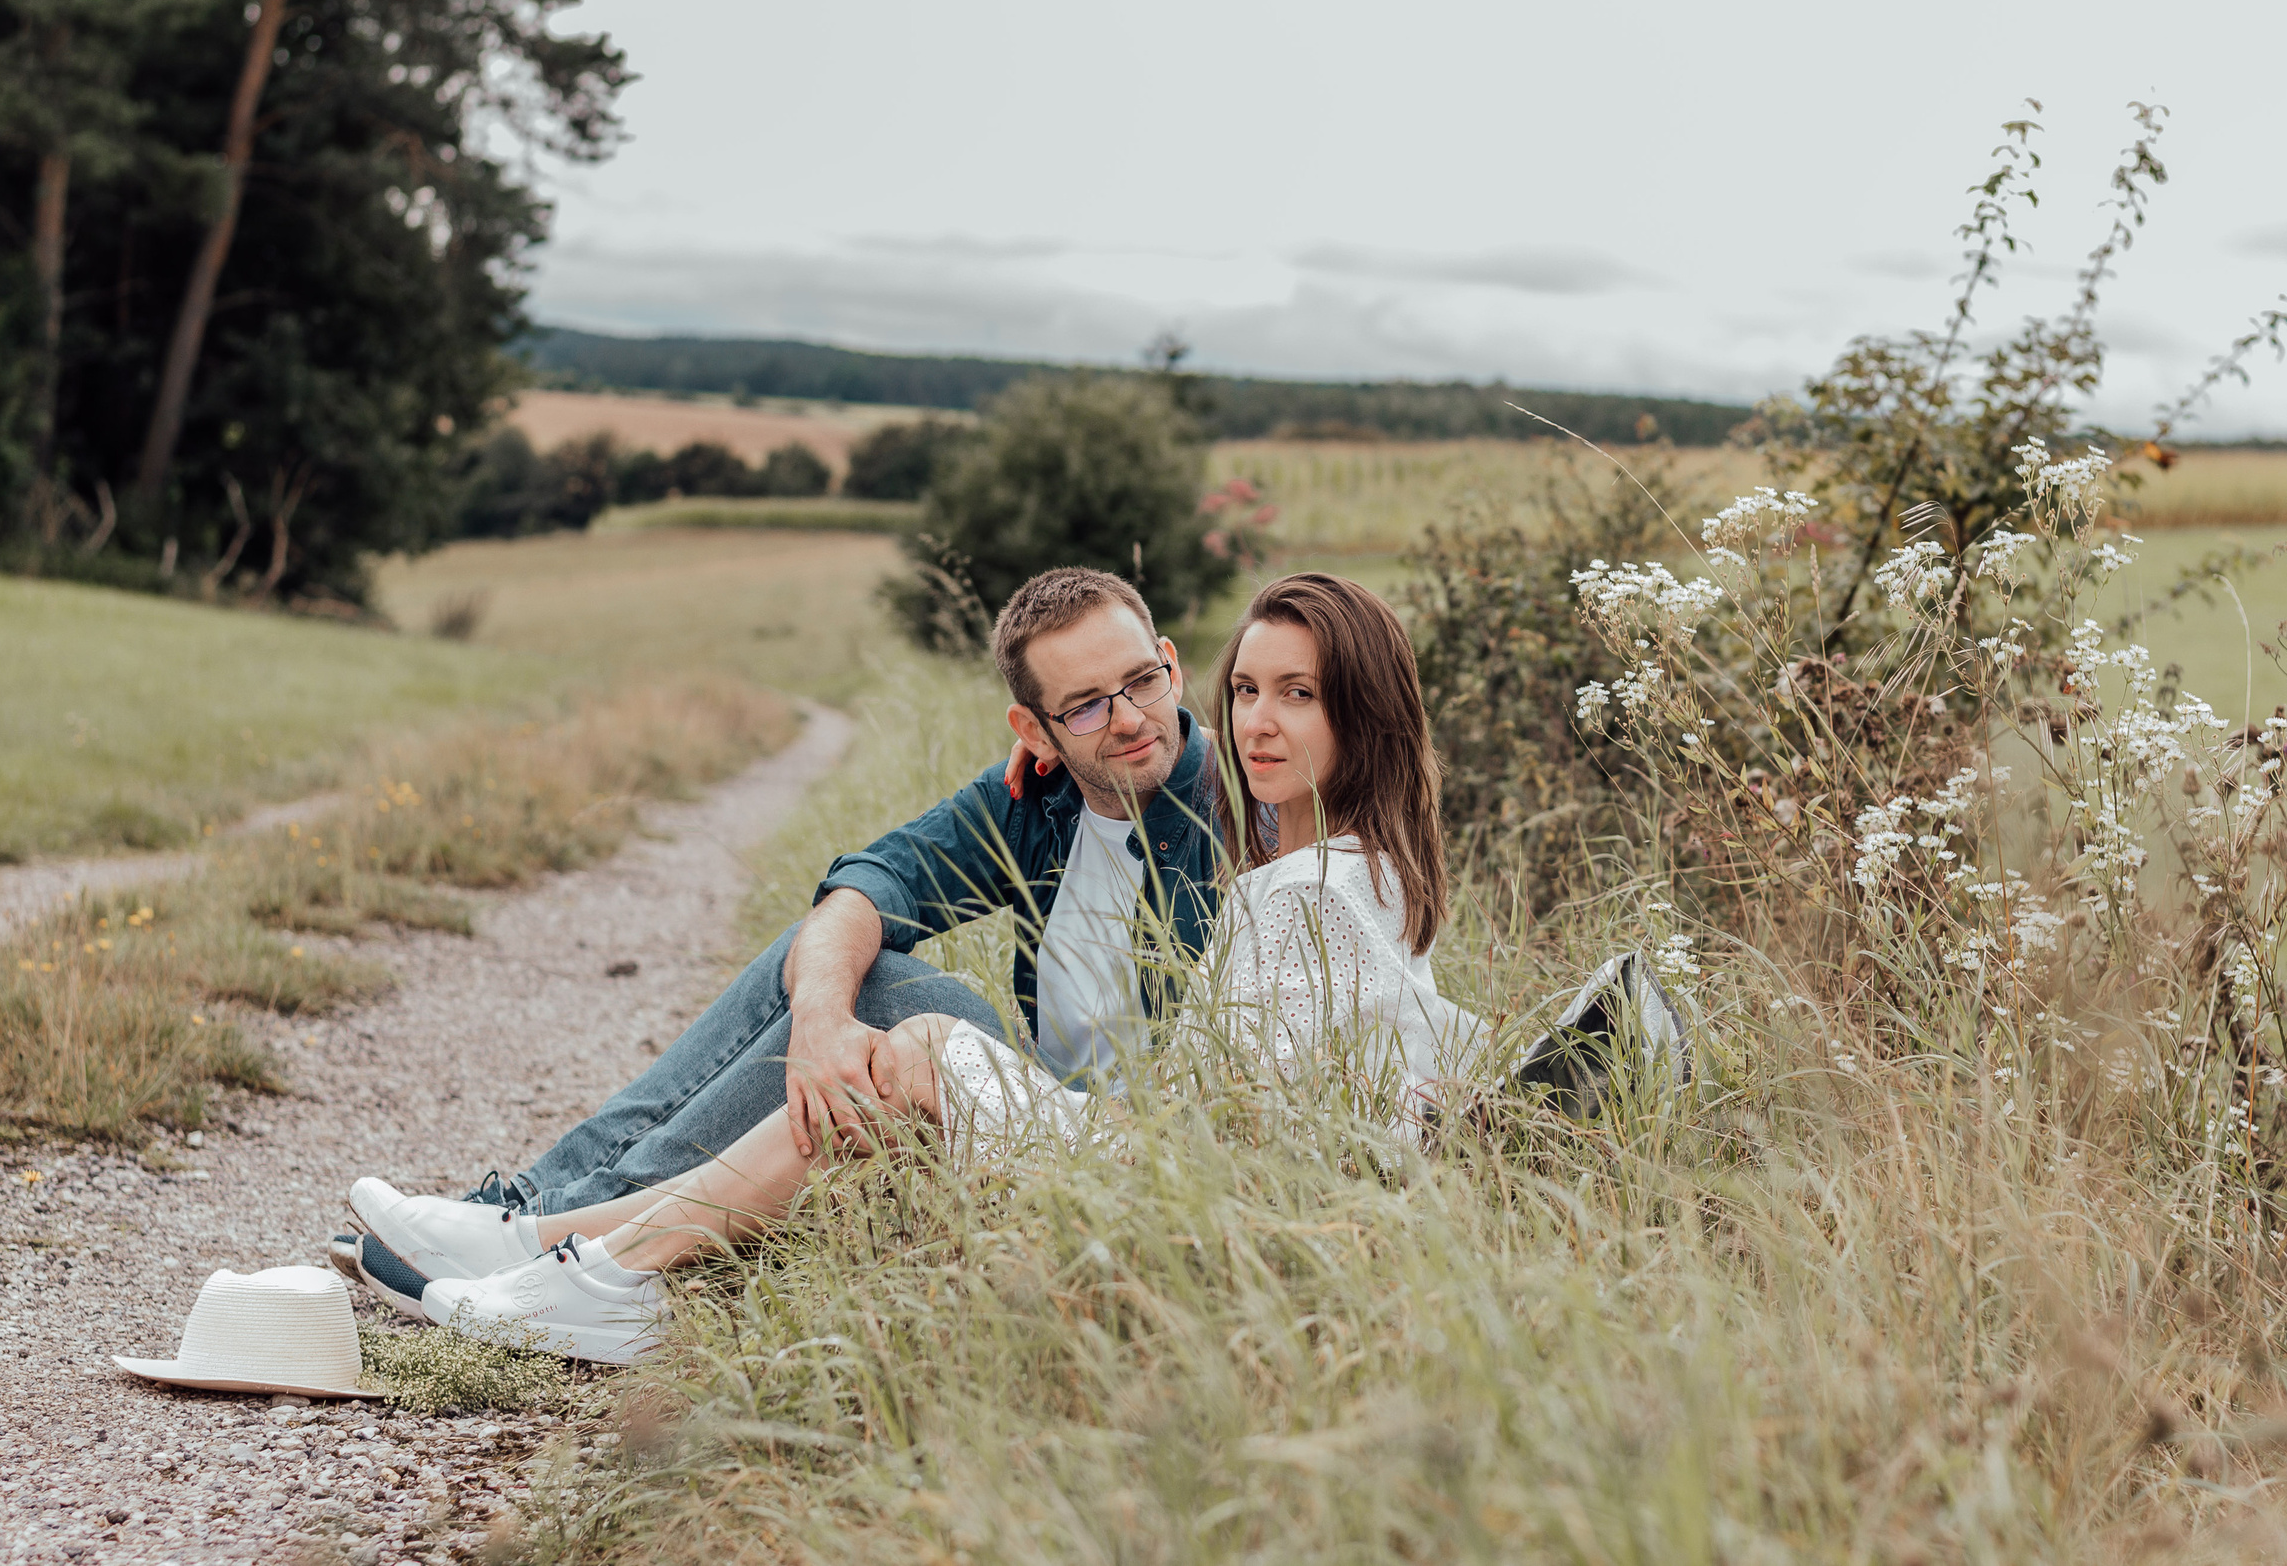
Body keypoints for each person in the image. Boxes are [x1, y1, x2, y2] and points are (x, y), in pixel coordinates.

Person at [361, 574, 1504, 1364]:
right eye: (1087, 705)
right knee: (841, 957)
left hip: (1138, 1142)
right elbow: (871, 876)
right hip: (1118, 1131)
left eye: (1143, 683)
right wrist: (817, 1019)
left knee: (924, 1026)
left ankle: (579, 1257)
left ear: (1167, 665)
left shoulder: (1249, 817)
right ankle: (548, 1224)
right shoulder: (1047, 794)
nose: (1132, 720)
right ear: (1036, 724)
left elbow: (1334, 1033)